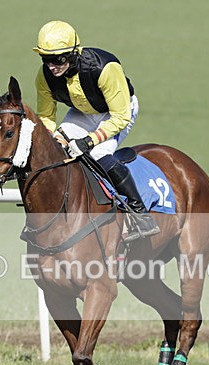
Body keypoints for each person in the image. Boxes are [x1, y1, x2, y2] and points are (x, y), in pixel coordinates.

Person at [33, 20, 160, 242]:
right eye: (46, 59)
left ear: (73, 53)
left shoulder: (104, 68)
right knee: (58, 150)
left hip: (118, 111)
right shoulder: (44, 77)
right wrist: (54, 138)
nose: (51, 66)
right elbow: (46, 117)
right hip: (83, 111)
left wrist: (89, 141)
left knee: (98, 153)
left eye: (58, 59)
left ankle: (140, 213)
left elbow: (120, 117)